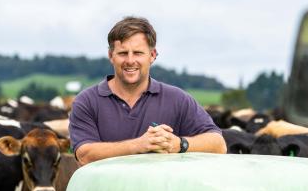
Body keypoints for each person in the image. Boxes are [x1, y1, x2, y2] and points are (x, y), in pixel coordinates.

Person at [69, 16, 227, 166]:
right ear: (111, 56)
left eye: (138, 53)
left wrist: (179, 144)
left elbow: (219, 145)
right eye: (123, 53)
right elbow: (84, 156)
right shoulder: (87, 101)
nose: (130, 61)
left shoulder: (177, 99)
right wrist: (139, 145)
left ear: (152, 55)